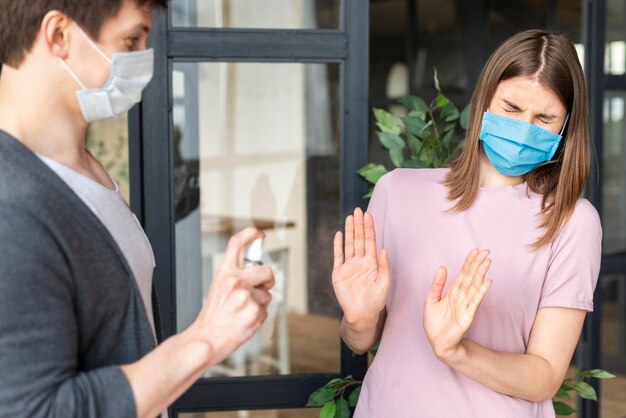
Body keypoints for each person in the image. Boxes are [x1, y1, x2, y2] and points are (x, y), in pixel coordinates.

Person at [0, 1, 274, 417]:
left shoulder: (87, 173)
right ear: (59, 34)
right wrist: (206, 338)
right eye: (132, 39)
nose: (145, 59)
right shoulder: (11, 203)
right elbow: (38, 409)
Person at [332, 29, 601, 417]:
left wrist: (456, 351)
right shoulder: (398, 191)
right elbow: (361, 340)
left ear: (565, 127)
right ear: (485, 101)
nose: (524, 127)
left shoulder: (572, 222)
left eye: (544, 118)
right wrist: (359, 319)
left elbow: (544, 376)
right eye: (511, 108)